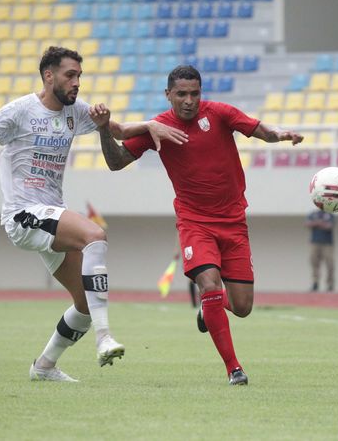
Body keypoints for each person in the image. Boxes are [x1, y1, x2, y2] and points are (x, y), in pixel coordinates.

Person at [0, 46, 188, 382]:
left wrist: (151, 125)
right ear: (49, 76)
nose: (77, 82)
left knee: (85, 304)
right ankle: (104, 338)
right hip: (23, 213)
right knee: (95, 235)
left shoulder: (77, 111)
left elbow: (118, 130)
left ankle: (44, 366)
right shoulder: (19, 111)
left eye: (79, 76)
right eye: (70, 75)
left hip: (50, 215)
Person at [95, 65, 304, 385]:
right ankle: (234, 368)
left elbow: (261, 129)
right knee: (209, 284)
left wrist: (281, 134)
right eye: (181, 94)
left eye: (194, 93)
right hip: (195, 222)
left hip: (234, 222)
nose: (189, 100)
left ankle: (210, 310)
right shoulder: (157, 127)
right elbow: (116, 162)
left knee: (243, 306)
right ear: (169, 95)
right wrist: (100, 130)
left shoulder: (219, 113)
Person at [306, 210, 335, 292]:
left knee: (330, 263)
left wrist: (318, 223)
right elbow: (307, 224)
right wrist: (319, 223)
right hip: (315, 242)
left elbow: (329, 226)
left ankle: (330, 284)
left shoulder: (329, 215)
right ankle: (315, 283)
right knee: (314, 263)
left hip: (327, 243)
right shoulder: (313, 214)